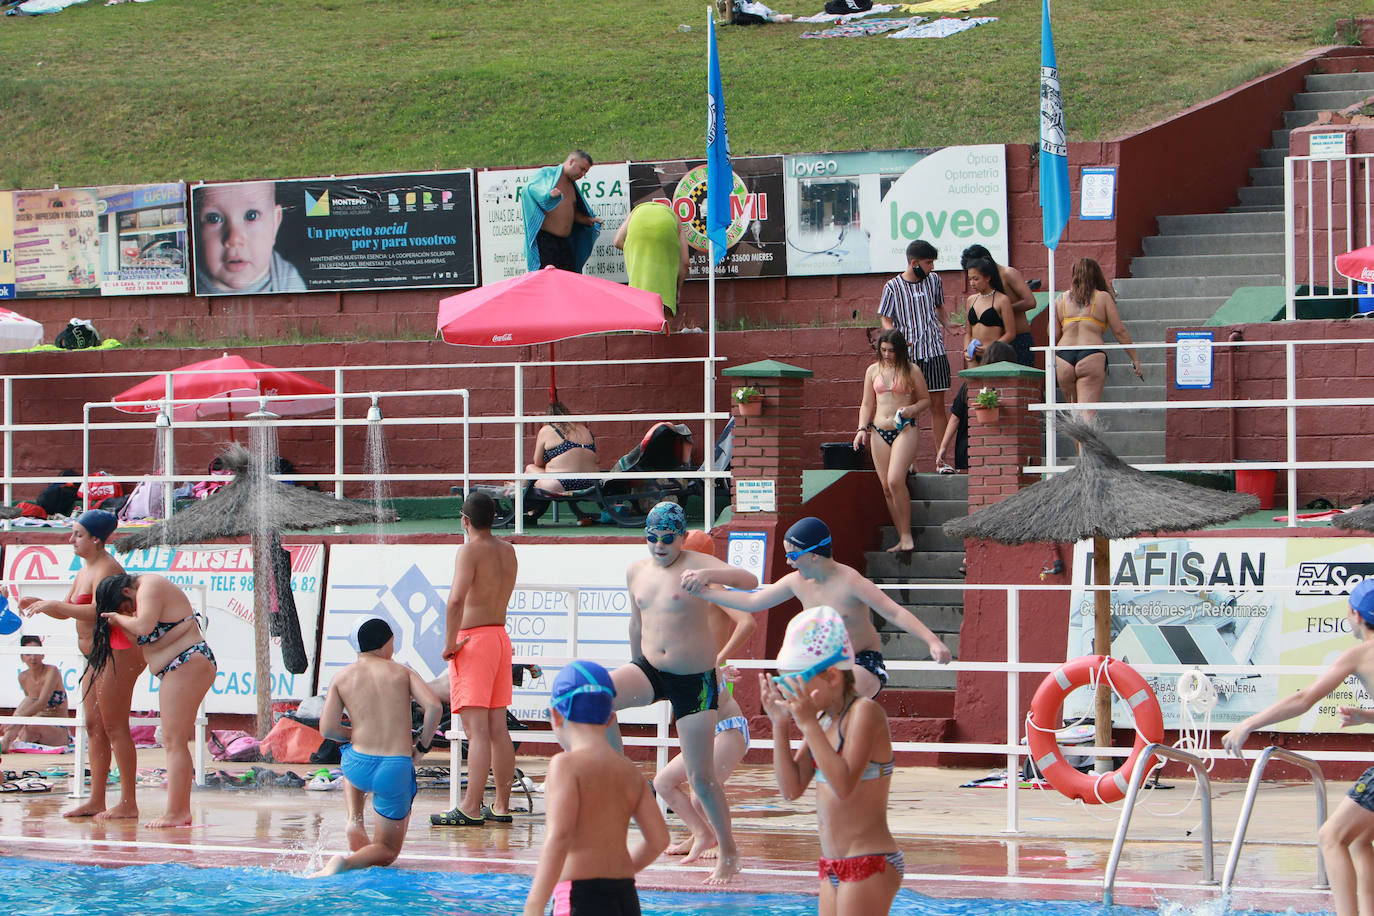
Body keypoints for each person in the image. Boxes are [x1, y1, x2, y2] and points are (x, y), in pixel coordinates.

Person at [608, 501, 758, 883]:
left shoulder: (697, 568)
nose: (659, 546)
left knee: (701, 779)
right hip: (651, 669)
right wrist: (633, 665)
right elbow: (635, 621)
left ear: (680, 536)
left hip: (694, 680)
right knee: (597, 698)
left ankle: (728, 851)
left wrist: (706, 573)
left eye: (667, 539)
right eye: (651, 538)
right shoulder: (636, 571)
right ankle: (617, 774)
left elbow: (750, 582)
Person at [1222, 579, 1374, 916]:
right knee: (1361, 839)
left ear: (1355, 615)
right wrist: (1365, 716)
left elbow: (1304, 699)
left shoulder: (1360, 654)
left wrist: (1248, 724)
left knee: (1331, 837)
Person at [684, 516, 951, 699]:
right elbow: (753, 601)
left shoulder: (851, 582)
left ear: (813, 554)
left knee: (836, 696)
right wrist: (706, 592)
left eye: (792, 555)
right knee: (801, 697)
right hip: (819, 665)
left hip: (862, 663)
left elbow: (894, 611)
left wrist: (932, 641)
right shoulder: (796, 582)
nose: (788, 562)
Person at [760, 606, 903, 915]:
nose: (791, 694)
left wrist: (808, 724)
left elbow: (843, 785)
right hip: (833, 865)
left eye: (796, 684)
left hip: (871, 861)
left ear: (833, 676)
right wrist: (780, 725)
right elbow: (791, 788)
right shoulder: (823, 720)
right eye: (785, 685)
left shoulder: (864, 713)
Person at [20, 509, 144, 820]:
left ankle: (128, 802)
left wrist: (54, 604)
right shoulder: (84, 570)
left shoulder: (109, 570)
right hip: (96, 657)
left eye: (77, 534)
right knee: (93, 726)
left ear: (97, 540)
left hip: (118, 652)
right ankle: (97, 799)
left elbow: (101, 612)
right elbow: (67, 611)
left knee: (115, 727)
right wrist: (41, 604)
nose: (71, 539)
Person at [522, 660, 668, 916]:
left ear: (556, 715)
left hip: (579, 894)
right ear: (611, 717)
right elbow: (659, 840)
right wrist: (620, 873)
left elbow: (559, 837)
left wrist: (534, 904)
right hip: (624, 896)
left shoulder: (565, 766)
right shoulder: (630, 772)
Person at [311, 618, 442, 877]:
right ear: (386, 644)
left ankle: (354, 819)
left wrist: (356, 733)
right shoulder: (401, 672)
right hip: (394, 767)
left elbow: (327, 730)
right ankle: (344, 864)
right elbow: (434, 707)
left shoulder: (342, 677)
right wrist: (422, 746)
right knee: (387, 849)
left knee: (349, 754)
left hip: (359, 767)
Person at [654, 528, 755, 863]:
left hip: (728, 725)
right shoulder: (681, 596)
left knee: (701, 791)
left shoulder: (712, 588)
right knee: (665, 783)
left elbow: (748, 622)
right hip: (703, 714)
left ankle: (723, 845)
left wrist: (719, 658)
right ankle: (701, 834)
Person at [97, 572, 214, 828]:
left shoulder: (149, 585)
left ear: (126, 592)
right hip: (178, 666)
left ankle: (178, 812)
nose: (129, 613)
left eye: (125, 608)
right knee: (173, 741)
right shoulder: (140, 600)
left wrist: (118, 618)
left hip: (187, 663)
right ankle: (176, 810)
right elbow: (148, 637)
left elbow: (143, 628)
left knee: (174, 741)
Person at [432, 491, 519, 827]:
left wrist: (449, 643)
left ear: (464, 520)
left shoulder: (468, 550)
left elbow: (455, 601)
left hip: (474, 641)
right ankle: (501, 805)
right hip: (500, 637)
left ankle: (469, 807)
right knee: (499, 728)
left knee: (476, 730)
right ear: (494, 518)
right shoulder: (509, 550)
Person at [852, 328, 931, 554]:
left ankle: (907, 535)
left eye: (892, 351)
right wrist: (861, 429)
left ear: (901, 350)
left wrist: (911, 409)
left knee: (896, 480)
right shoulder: (872, 370)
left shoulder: (911, 370)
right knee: (886, 487)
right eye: (883, 350)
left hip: (904, 427)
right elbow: (867, 403)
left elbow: (925, 400)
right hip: (879, 429)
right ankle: (902, 536)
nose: (887, 354)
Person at [878, 239, 956, 467]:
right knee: (906, 408)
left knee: (937, 406)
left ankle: (941, 461)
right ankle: (907, 463)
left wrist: (948, 325)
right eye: (928, 262)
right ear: (914, 263)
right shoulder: (892, 286)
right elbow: (885, 317)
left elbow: (940, 308)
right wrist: (895, 337)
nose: (932, 267)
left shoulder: (934, 281)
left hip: (935, 351)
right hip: (909, 357)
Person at [1053, 257, 1143, 420]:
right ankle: (1088, 447)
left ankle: (1081, 447)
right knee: (1087, 414)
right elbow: (1119, 331)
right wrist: (1134, 358)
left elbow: (1053, 334)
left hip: (1063, 356)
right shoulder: (1102, 297)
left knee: (1074, 416)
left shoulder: (1060, 300)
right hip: (1091, 353)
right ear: (1096, 275)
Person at [194, 181, 307, 294]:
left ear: (275, 223)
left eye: (251, 216)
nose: (234, 239)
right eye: (213, 218)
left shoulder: (289, 285)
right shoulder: (189, 278)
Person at [936, 340, 1020, 477]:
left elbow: (955, 418)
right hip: (996, 450)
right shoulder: (1009, 389)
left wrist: (943, 447)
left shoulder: (969, 385)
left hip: (966, 449)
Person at [613, 190, 689, 322]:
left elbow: (617, 241)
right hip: (666, 286)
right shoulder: (676, 219)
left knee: (639, 326)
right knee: (664, 320)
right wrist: (678, 290)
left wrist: (637, 252)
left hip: (637, 217)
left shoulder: (635, 213)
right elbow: (685, 263)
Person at [521, 150, 602, 273]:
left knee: (569, 281)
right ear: (571, 162)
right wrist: (547, 197)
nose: (582, 174)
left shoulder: (572, 186)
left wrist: (588, 220)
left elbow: (572, 213)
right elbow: (528, 189)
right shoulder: (547, 174)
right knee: (547, 283)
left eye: (585, 172)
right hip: (546, 241)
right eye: (581, 169)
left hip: (565, 242)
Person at [961, 245, 1038, 367]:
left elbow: (1030, 301)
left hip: (1017, 337)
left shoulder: (1008, 273)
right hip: (988, 344)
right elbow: (968, 332)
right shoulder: (977, 293)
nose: (972, 281)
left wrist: (1001, 311)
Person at [0, 635, 71, 752]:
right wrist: (17, 720)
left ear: (43, 654)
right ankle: (6, 741)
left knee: (30, 723)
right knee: (27, 703)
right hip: (34, 725)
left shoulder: (52, 671)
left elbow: (41, 703)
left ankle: (6, 741)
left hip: (58, 729)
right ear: (22, 657)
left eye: (36, 653)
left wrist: (15, 720)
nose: (33, 658)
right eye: (28, 654)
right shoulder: (23, 677)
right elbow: (30, 705)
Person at [526, 401, 599, 495]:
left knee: (530, 468)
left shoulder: (547, 429)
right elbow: (596, 459)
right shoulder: (585, 429)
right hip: (590, 483)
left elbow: (537, 462)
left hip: (559, 483)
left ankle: (515, 491)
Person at [962, 257, 1016, 366]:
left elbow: (1010, 333)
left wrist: (991, 348)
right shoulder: (971, 300)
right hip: (973, 356)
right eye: (970, 279)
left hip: (993, 355)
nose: (972, 283)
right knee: (974, 383)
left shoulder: (1002, 300)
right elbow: (968, 332)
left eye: (976, 279)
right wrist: (966, 350)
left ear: (987, 277)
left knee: (990, 383)